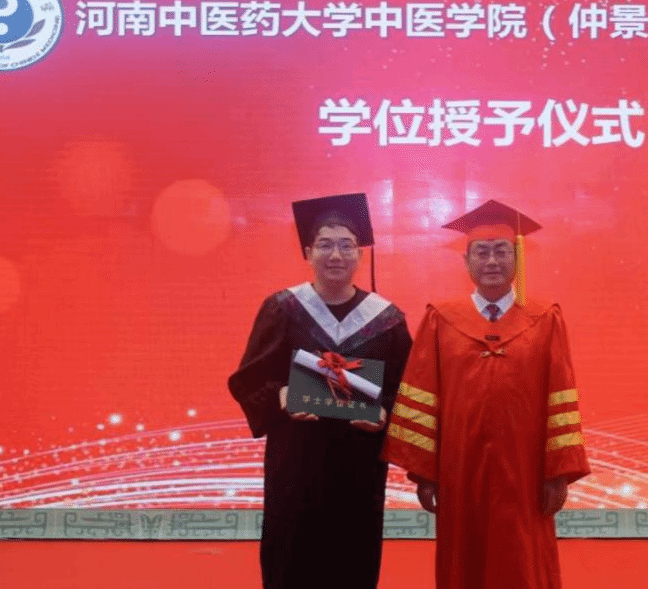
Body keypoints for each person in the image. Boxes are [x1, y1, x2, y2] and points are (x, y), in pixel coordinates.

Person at [381, 199, 590, 589]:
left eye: (501, 251)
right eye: (481, 252)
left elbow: (560, 394)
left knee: (522, 556)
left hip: (525, 470)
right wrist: (425, 473)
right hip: (459, 467)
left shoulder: (545, 318)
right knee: (466, 555)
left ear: (517, 258)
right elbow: (423, 393)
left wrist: (558, 474)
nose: (492, 260)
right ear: (466, 262)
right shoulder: (441, 319)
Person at [228, 193, 412, 589]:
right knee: (292, 560)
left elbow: (408, 390)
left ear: (359, 254)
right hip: (296, 463)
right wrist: (279, 397)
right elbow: (249, 379)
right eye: (325, 245)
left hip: (358, 468)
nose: (336, 255)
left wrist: (384, 413)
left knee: (353, 560)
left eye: (346, 245)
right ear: (308, 252)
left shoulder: (387, 319)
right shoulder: (283, 309)